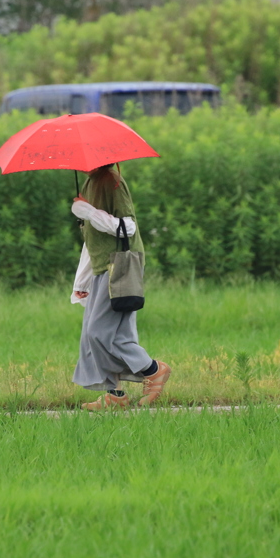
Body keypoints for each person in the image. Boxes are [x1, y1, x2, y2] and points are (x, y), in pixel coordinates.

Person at [70, 163, 171, 410]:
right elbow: (92, 240)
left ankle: (153, 370)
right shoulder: (90, 181)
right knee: (96, 334)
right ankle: (115, 395)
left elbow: (128, 227)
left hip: (119, 265)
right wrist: (82, 280)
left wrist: (90, 213)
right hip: (102, 267)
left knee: (99, 332)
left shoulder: (112, 181)